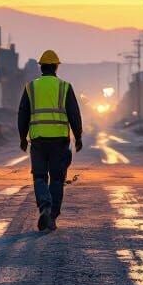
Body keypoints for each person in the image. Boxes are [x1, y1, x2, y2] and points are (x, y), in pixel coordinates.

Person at [18, 49, 83, 232]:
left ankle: (44, 206)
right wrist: (78, 137)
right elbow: (74, 114)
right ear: (56, 67)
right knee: (56, 179)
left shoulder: (31, 87)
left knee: (39, 176)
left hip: (38, 140)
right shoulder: (65, 87)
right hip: (59, 140)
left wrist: (22, 137)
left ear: (41, 67)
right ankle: (52, 217)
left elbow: (23, 113)